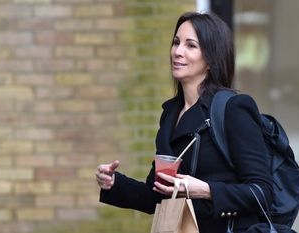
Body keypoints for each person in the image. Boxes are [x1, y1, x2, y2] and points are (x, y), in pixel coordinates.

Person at [96, 12, 274, 233]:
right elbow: (157, 196)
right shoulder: (170, 115)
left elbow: (262, 192)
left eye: (191, 46)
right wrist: (115, 184)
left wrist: (205, 190)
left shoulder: (233, 109)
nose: (177, 52)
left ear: (211, 58)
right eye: (176, 42)